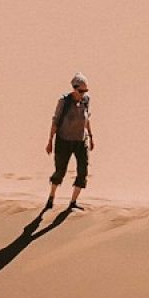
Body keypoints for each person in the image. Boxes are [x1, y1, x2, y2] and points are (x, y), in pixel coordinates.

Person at [47, 74, 92, 205]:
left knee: (83, 171)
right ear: (74, 88)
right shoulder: (64, 102)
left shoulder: (86, 100)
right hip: (64, 140)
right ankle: (51, 196)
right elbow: (55, 122)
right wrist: (50, 141)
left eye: (85, 91)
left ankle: (73, 202)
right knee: (60, 171)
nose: (83, 94)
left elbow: (87, 119)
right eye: (81, 91)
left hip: (80, 141)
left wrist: (91, 136)